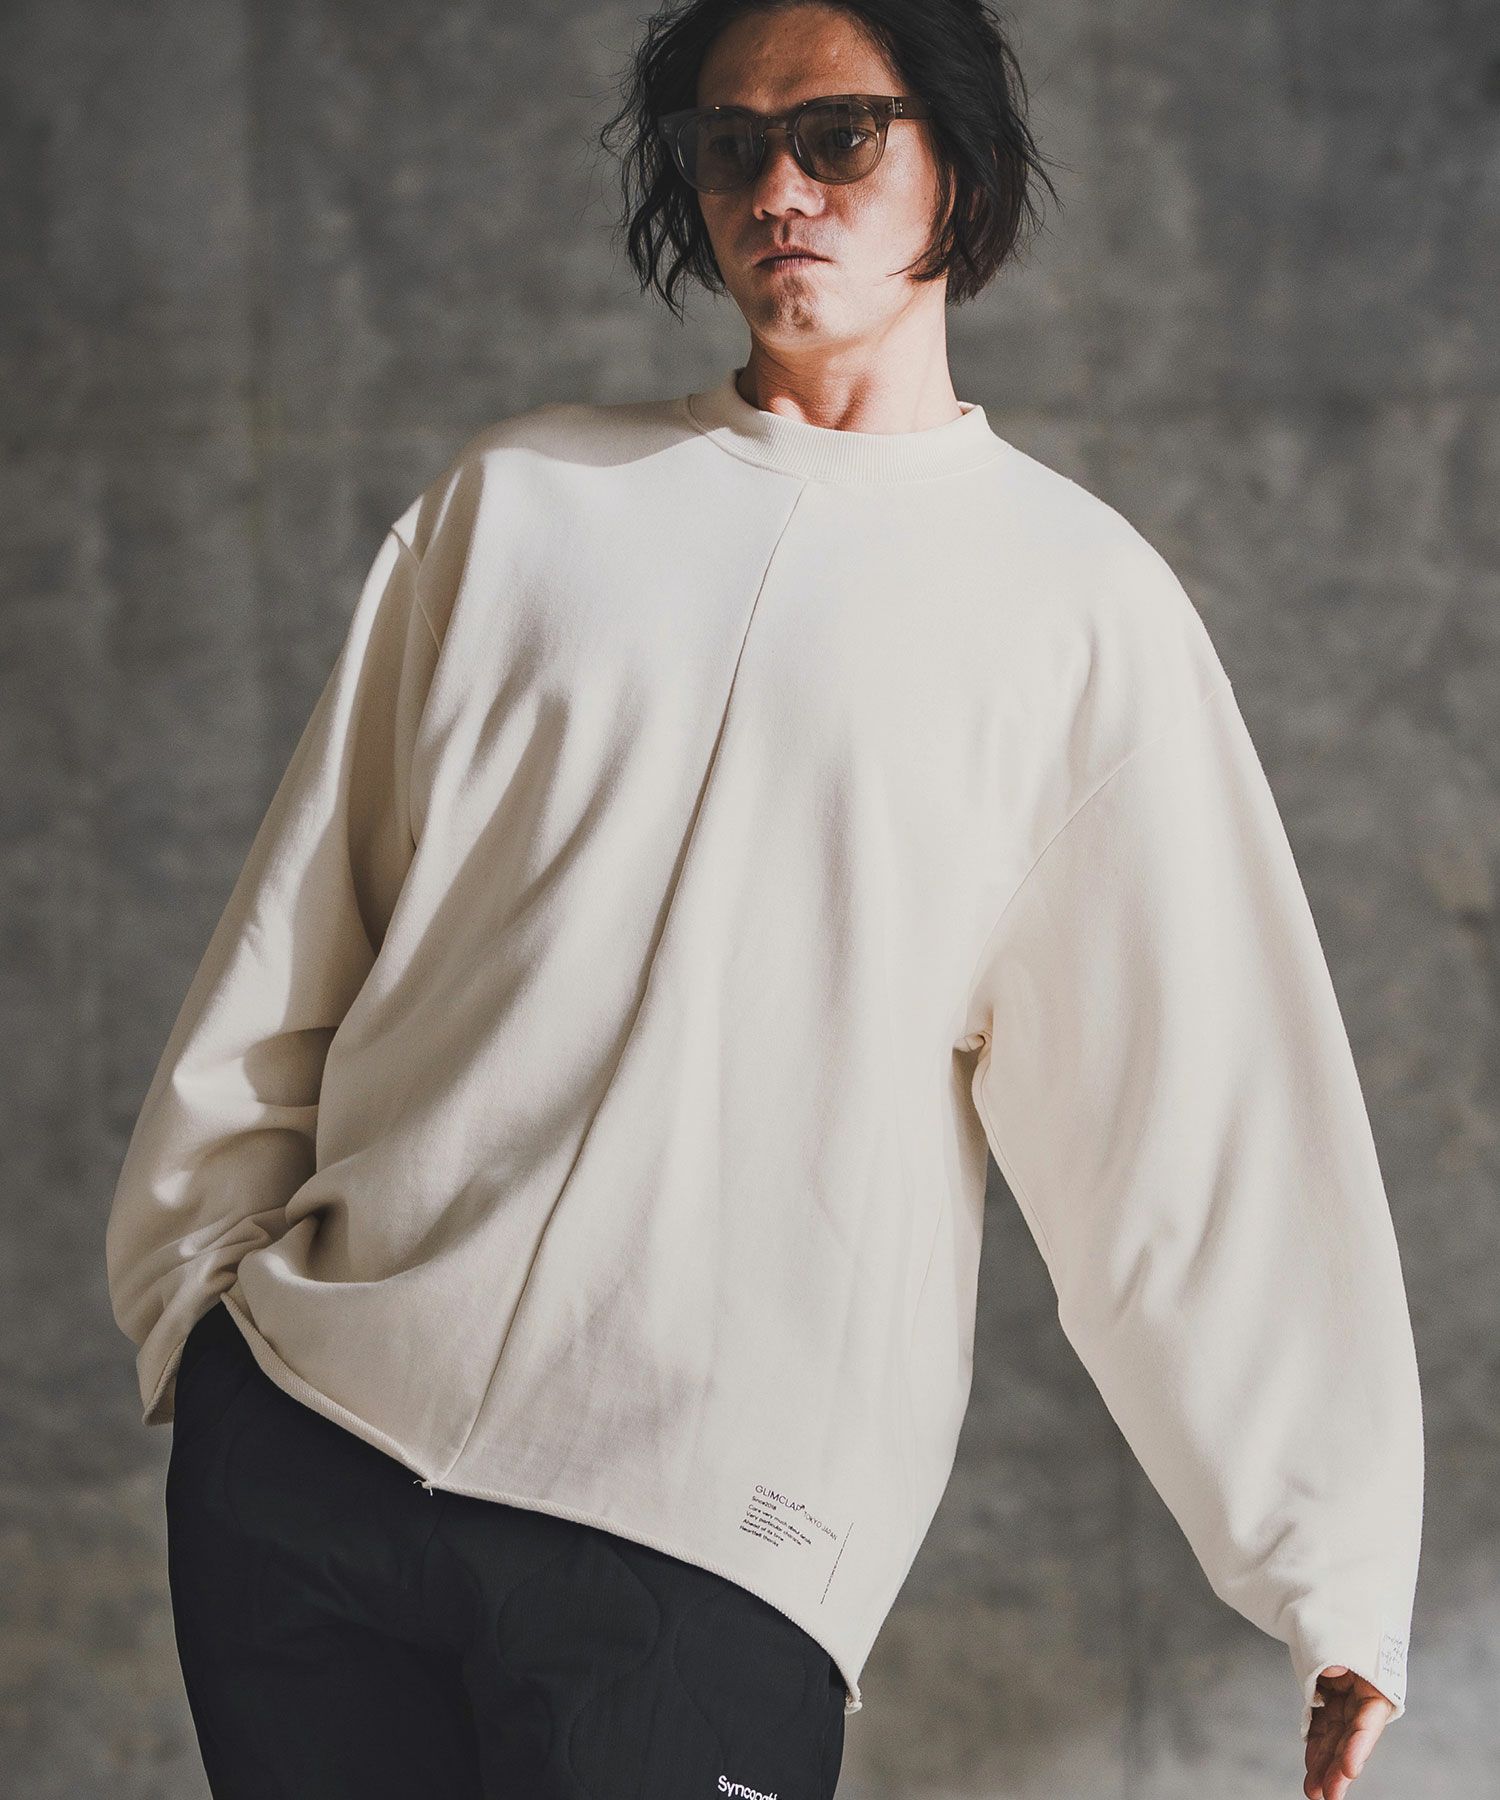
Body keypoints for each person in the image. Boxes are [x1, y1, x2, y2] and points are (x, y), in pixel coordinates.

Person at [104, 3, 1424, 1798]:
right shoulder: (519, 506)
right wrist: (205, 1329)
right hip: (316, 1460)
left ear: (959, 164)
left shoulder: (1076, 612)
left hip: (704, 1547)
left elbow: (1197, 1118)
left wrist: (1332, 1575)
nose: (777, 188)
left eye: (839, 136)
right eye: (730, 146)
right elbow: (301, 936)